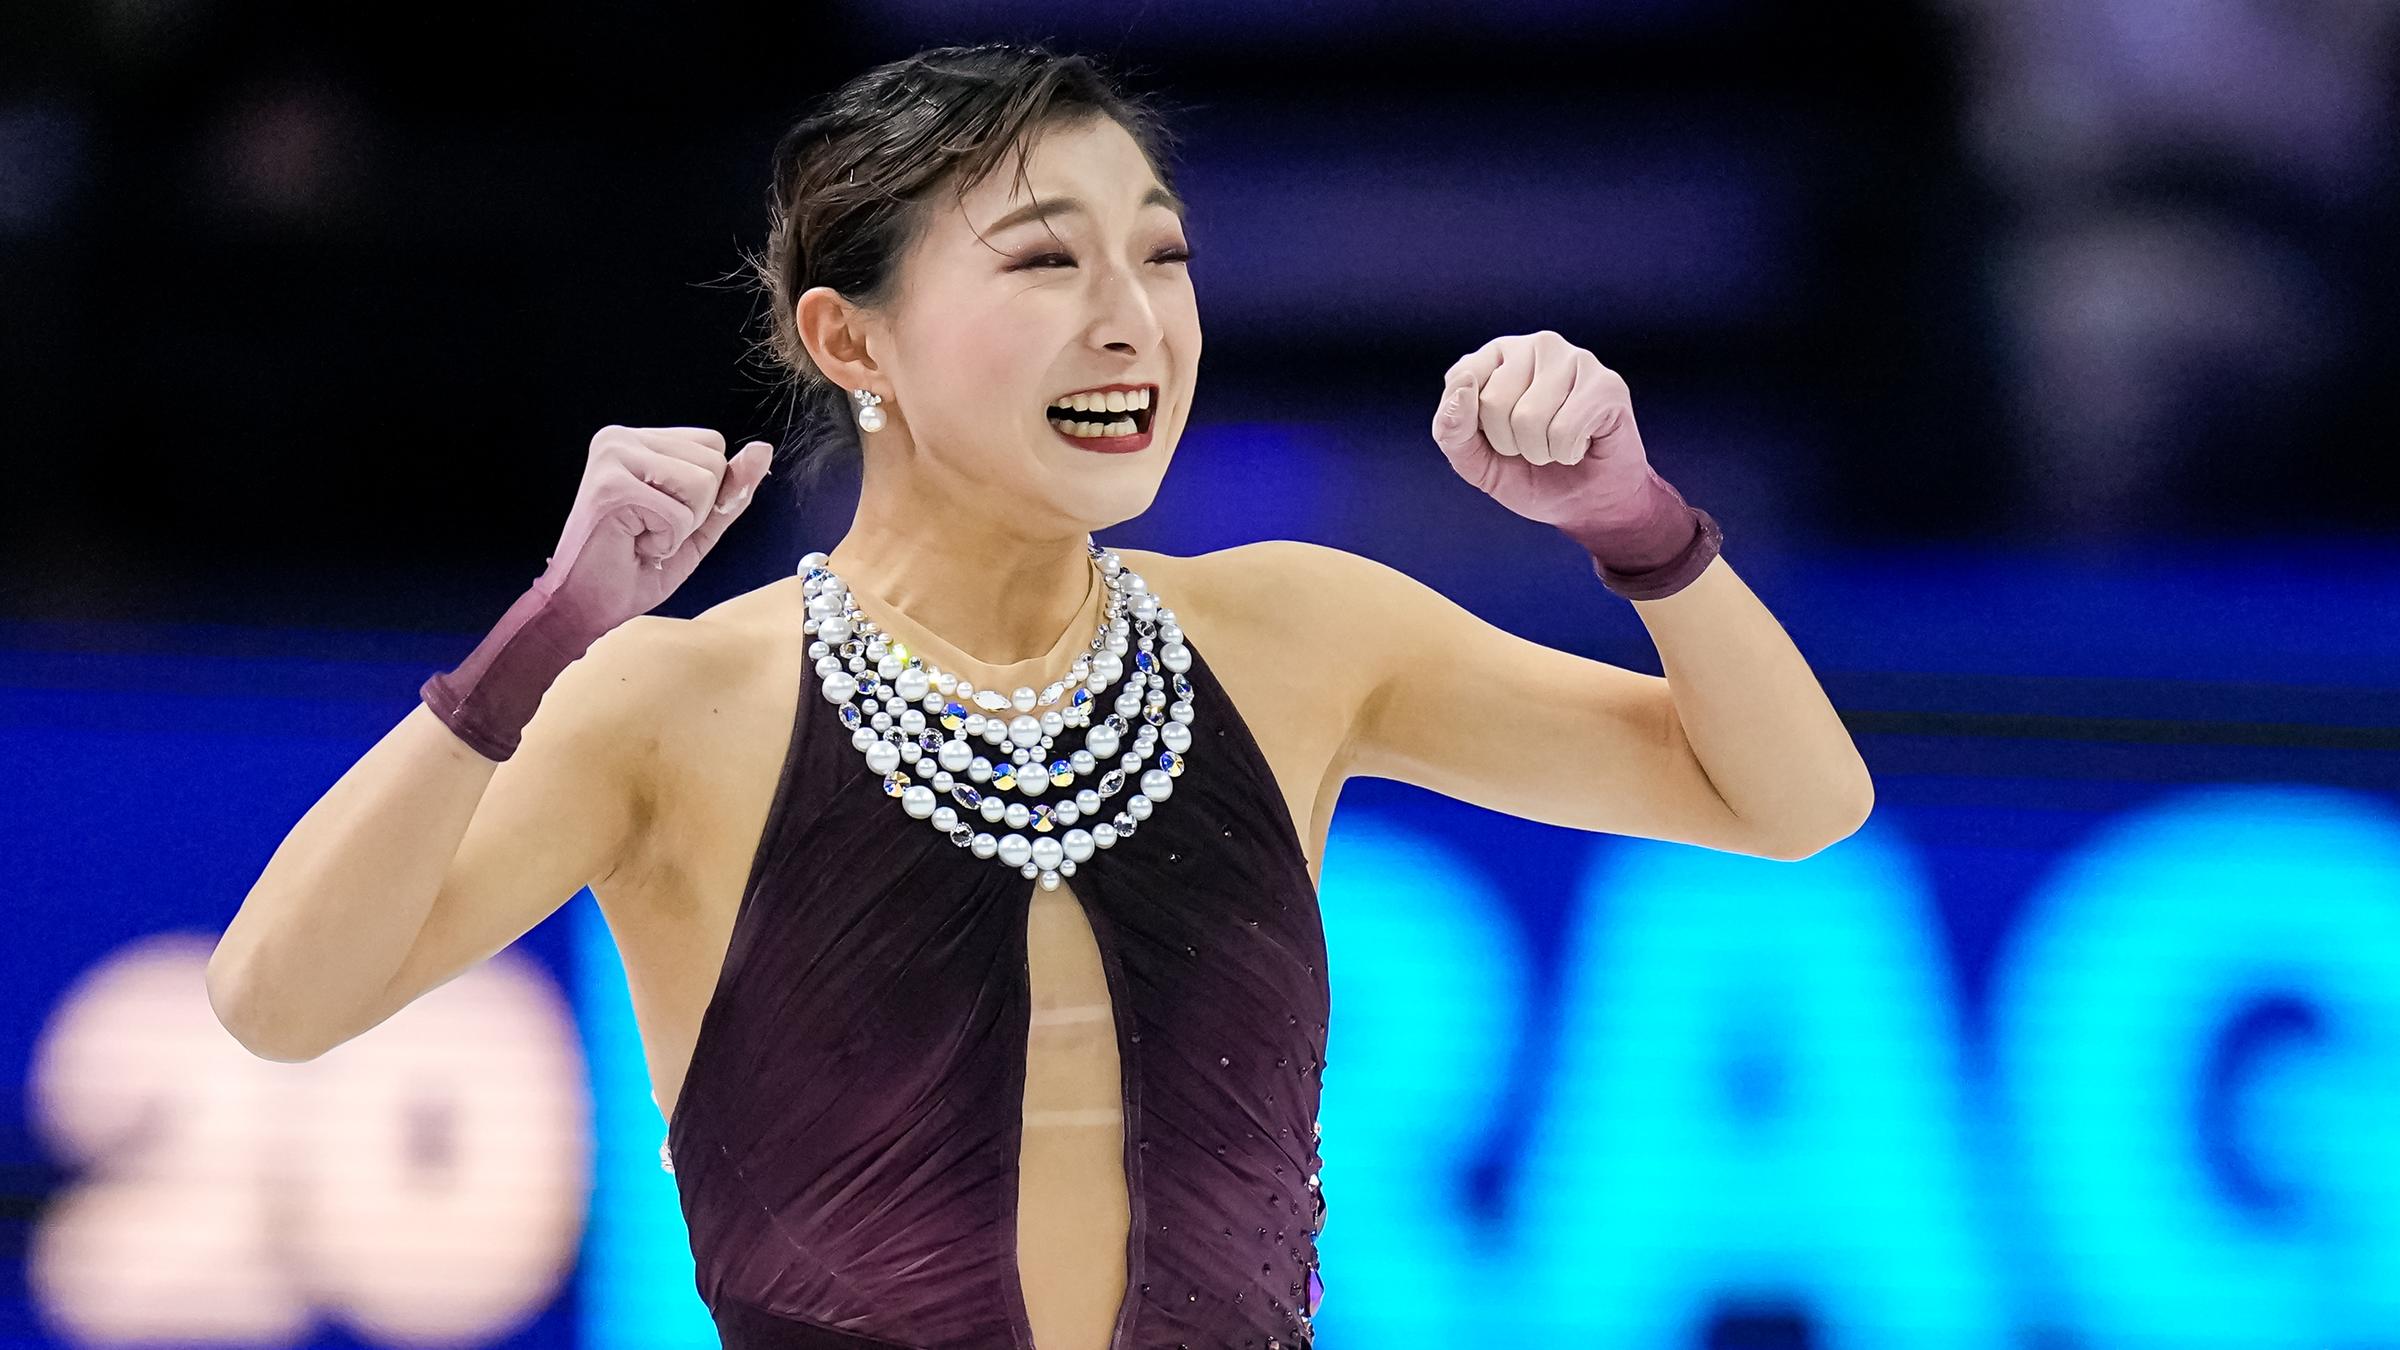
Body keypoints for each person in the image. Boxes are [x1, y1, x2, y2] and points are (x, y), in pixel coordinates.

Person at [206, 41, 1872, 1350]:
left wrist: (1637, 529)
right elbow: (278, 999)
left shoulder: (1297, 635)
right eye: (1044, 263)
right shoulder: (675, 699)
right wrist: (540, 640)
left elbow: (1794, 804)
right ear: (851, 345)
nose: (1132, 320)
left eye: (1162, 256)